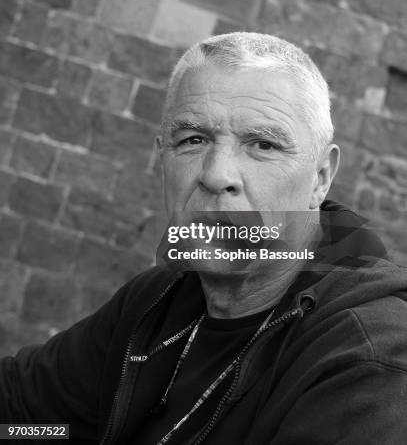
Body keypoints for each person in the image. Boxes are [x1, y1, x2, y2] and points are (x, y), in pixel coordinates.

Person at [1, 32, 407, 444]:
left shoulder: (371, 359)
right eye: (193, 140)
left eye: (263, 145)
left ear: (321, 177)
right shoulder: (156, 303)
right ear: (162, 156)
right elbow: (27, 420)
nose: (216, 175)